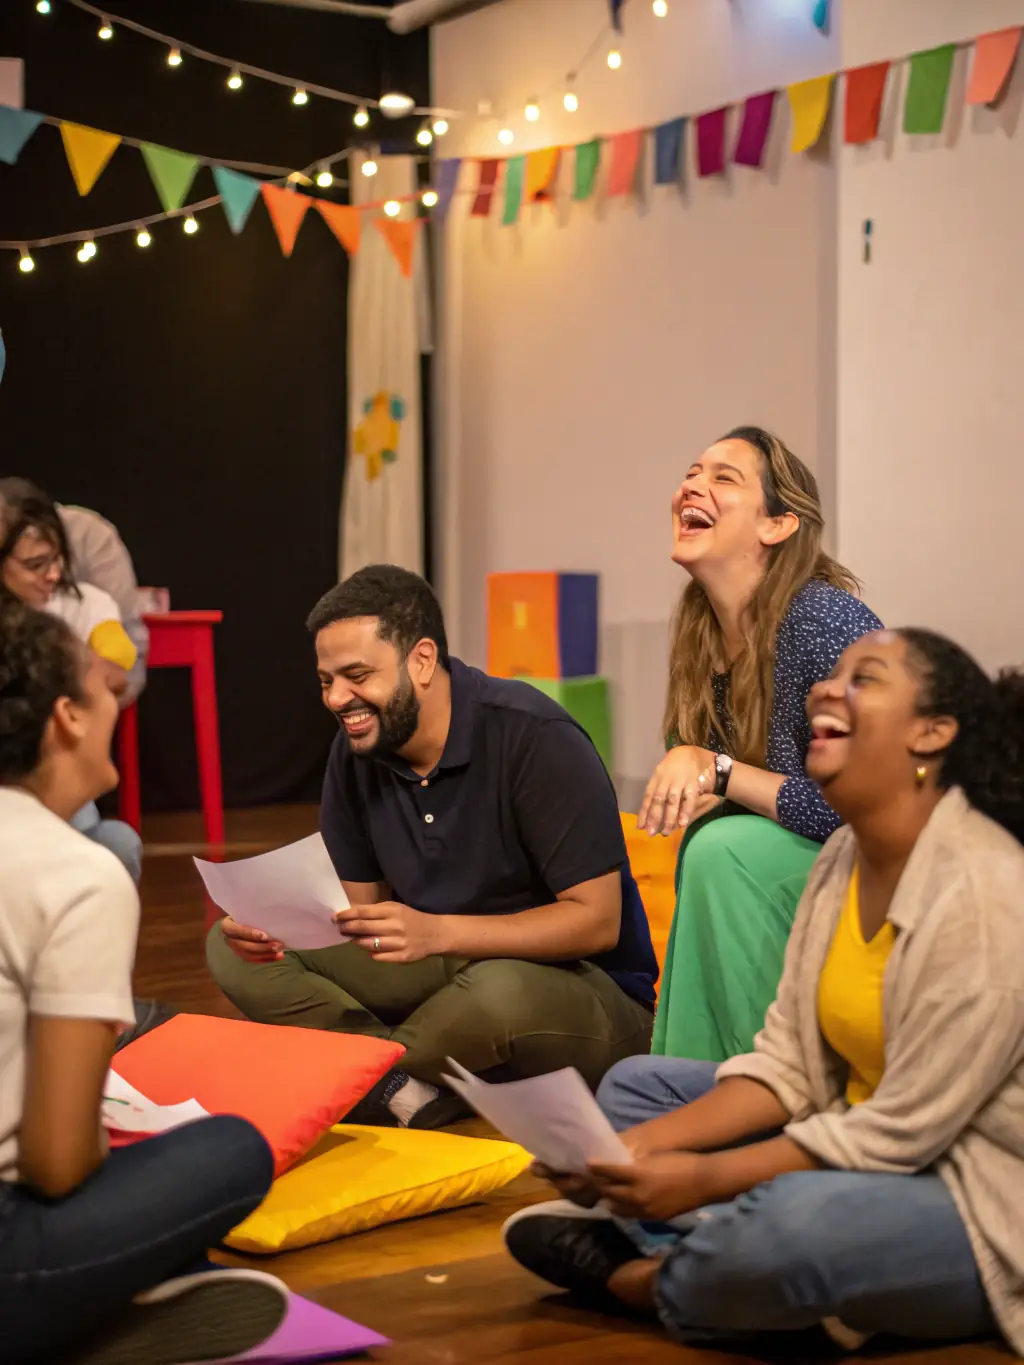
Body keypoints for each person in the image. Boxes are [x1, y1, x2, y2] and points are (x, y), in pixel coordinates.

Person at [505, 627, 1024, 1354]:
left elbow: (901, 1132)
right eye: (829, 675)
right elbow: (790, 1064)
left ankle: (653, 1282)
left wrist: (701, 1179)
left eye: (864, 678)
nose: (825, 688)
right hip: (859, 1140)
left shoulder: (986, 894)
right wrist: (630, 1150)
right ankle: (756, 1273)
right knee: (634, 1089)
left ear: (932, 733)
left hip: (979, 1199)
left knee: (798, 1218)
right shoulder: (846, 853)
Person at [207, 564, 659, 1129]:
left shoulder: (534, 737)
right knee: (228, 947)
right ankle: (405, 1086)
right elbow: (357, 917)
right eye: (326, 680)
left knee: (498, 991)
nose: (337, 698)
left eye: (356, 675)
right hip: (446, 975)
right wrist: (276, 925)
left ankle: (367, 1077)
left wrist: (437, 932)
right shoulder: (355, 752)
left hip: (579, 993)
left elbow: (596, 924)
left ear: (421, 660)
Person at [0, 600, 288, 1365]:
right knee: (233, 1148)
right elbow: (58, 1163)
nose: (119, 702)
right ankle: (88, 1324)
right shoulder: (77, 872)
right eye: (104, 685)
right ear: (64, 715)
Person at [641, 426, 881, 1062]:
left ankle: (771, 1088)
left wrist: (717, 771)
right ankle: (697, 1080)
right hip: (796, 871)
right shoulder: (699, 632)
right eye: (692, 472)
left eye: (724, 477)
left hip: (885, 871)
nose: (692, 485)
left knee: (727, 849)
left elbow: (873, 801)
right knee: (709, 843)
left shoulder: (825, 619)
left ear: (779, 525)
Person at [0, 478, 142, 884]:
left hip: (64, 801)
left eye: (57, 559)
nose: (52, 574)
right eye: (35, 564)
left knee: (117, 843)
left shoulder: (81, 605)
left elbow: (119, 663)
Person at [59, 499, 150, 705]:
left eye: (50, 560)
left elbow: (120, 667)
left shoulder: (90, 601)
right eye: (35, 564)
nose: (50, 573)